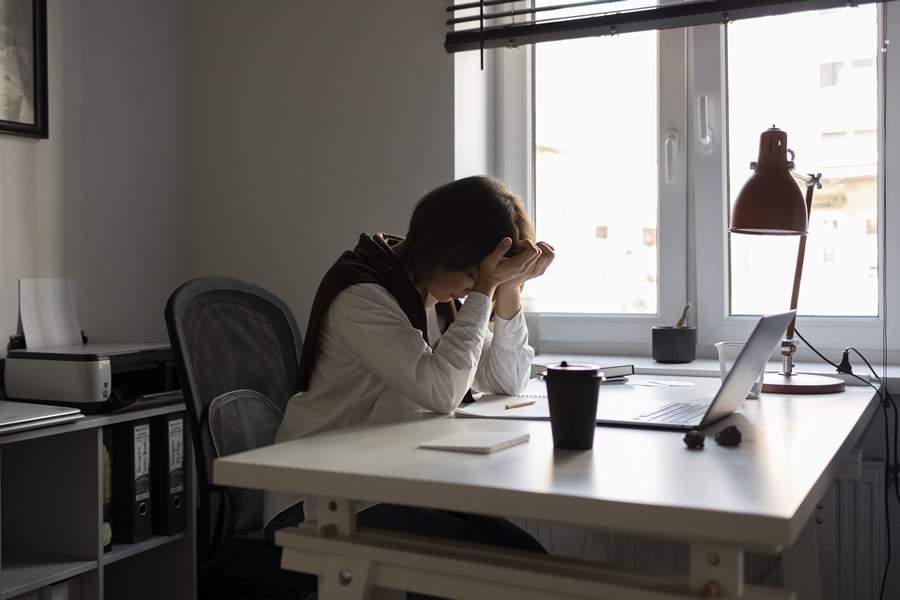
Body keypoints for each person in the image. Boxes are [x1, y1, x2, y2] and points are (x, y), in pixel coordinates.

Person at [263, 176, 555, 580]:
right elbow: (441, 391)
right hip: (318, 500)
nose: (471, 289)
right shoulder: (362, 295)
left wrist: (510, 286)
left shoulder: (436, 297)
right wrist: (485, 289)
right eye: (471, 275)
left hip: (389, 485)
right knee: (493, 575)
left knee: (529, 561)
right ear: (442, 251)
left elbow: (506, 380)